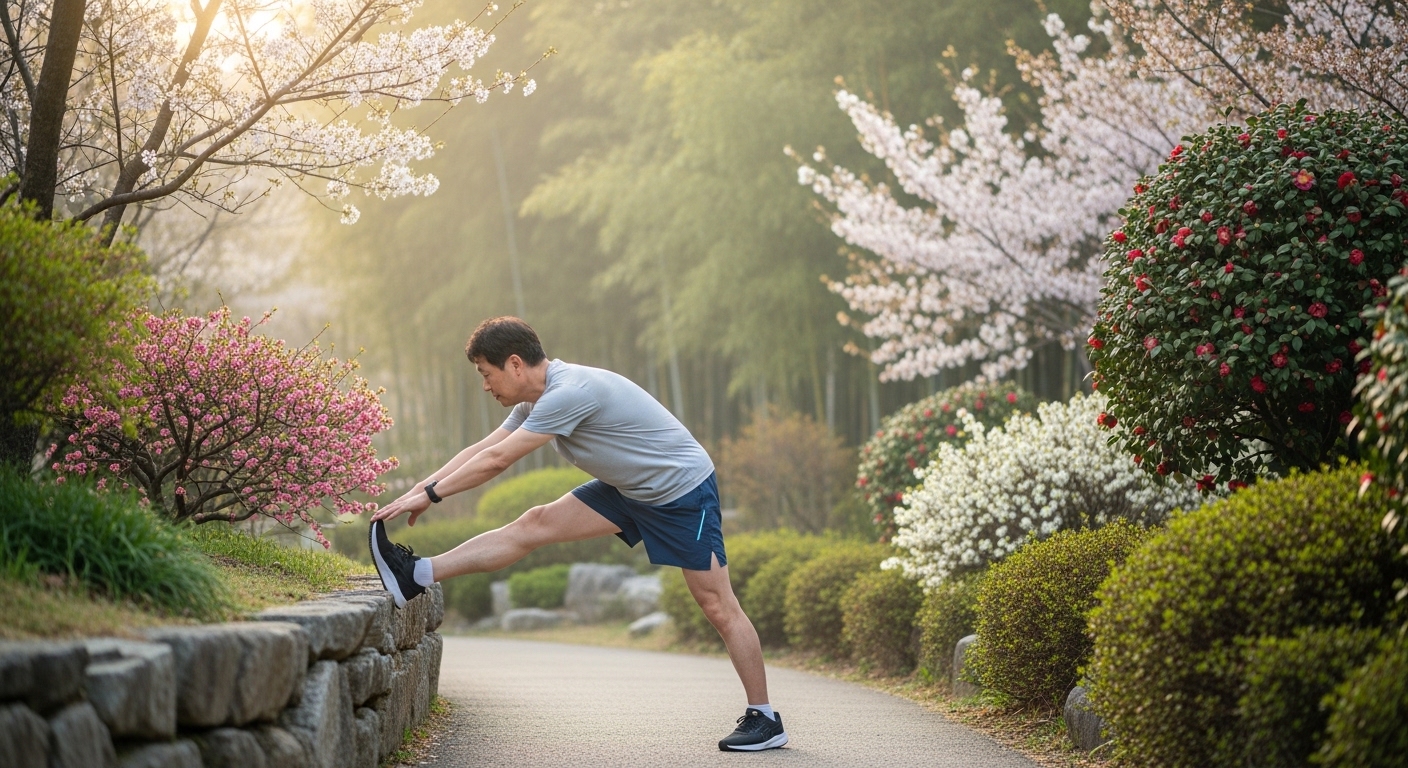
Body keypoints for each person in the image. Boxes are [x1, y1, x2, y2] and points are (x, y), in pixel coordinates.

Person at [368, 316, 787, 752]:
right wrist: (417, 491)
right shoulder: (534, 400)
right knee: (534, 523)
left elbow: (498, 461)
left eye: (486, 375)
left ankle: (766, 718)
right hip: (629, 489)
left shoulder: (569, 393)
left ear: (514, 364)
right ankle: (414, 575)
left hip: (681, 492)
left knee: (718, 605)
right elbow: (480, 450)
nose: (485, 386)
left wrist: (431, 496)